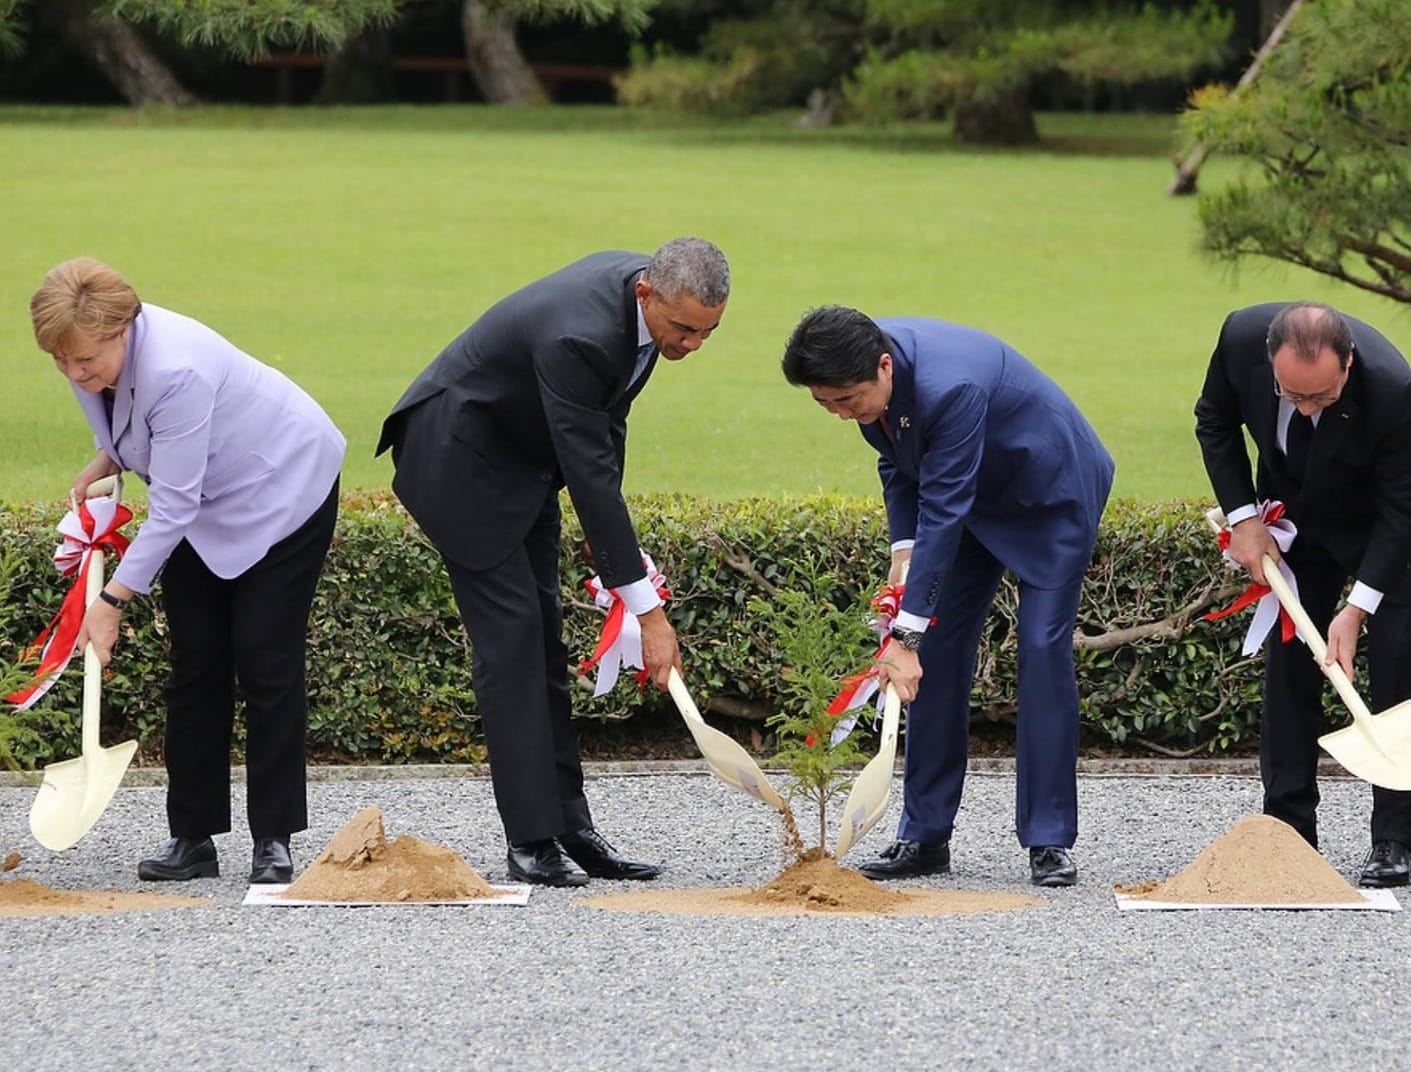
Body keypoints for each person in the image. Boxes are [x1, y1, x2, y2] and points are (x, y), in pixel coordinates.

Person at [376, 241, 728, 887]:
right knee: (512, 647)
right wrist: (647, 611)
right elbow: (590, 476)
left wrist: (614, 552)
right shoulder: (581, 334)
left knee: (545, 641)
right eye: (684, 329)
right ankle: (531, 842)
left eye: (709, 331)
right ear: (647, 294)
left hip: (522, 462)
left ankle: (571, 828)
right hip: (458, 459)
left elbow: (605, 427)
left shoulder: (644, 308)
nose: (693, 345)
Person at [30, 258, 344, 885]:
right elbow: (143, 429)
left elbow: (170, 505)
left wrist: (113, 601)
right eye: (61, 361)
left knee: (265, 657)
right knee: (196, 663)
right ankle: (192, 837)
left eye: (85, 361)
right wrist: (108, 456)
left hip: (282, 486)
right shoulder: (85, 350)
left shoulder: (178, 367)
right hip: (204, 499)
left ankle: (274, 839)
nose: (74, 373)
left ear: (124, 330)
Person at [782, 306, 1114, 887]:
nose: (841, 414)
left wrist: (904, 633)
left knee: (1039, 649)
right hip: (968, 498)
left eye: (848, 401)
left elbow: (944, 503)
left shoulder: (949, 385)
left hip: (1049, 494)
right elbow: (900, 466)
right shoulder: (858, 366)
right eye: (825, 404)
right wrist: (902, 554)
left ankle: (1049, 838)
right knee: (933, 654)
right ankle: (925, 834)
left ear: (885, 367)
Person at [1195, 302, 1411, 888]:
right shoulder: (1240, 339)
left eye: (1320, 399)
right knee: (1292, 653)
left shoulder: (1394, 389)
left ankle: (1393, 839)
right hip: (1297, 506)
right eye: (1290, 395)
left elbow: (1402, 515)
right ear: (1271, 363)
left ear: (1347, 367)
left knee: (1395, 655)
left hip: (1392, 516)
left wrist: (1357, 608)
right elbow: (1214, 421)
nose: (1303, 407)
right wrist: (1245, 518)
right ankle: (1288, 829)